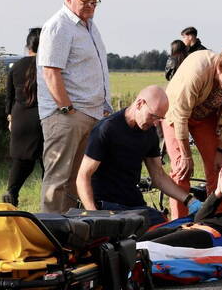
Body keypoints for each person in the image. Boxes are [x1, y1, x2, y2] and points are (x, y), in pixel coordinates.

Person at [37, 0, 112, 214]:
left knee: (76, 180)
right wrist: (66, 108)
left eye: (95, 1)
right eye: (85, 1)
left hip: (90, 112)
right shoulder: (58, 26)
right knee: (58, 179)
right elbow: (51, 72)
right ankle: (48, 235)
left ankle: (69, 234)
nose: (91, 7)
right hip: (67, 115)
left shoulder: (90, 26)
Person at [75, 86, 200, 226]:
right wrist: (94, 215)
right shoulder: (107, 129)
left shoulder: (150, 132)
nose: (155, 122)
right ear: (140, 104)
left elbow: (158, 176)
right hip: (107, 206)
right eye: (153, 116)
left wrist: (190, 201)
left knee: (166, 227)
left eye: (160, 118)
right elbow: (83, 176)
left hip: (134, 206)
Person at [162, 44, 222, 219]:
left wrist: (220, 149)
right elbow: (181, 115)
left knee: (218, 168)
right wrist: (186, 155)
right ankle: (178, 223)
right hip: (176, 114)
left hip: (206, 117)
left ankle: (217, 221)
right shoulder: (198, 69)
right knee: (181, 169)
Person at [2, 27, 44, 206]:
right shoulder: (48, 66)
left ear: (28, 46)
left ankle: (12, 193)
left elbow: (9, 96)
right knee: (49, 163)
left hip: (20, 117)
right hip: (43, 116)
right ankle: (49, 201)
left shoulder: (17, 66)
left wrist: (10, 117)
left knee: (21, 161)